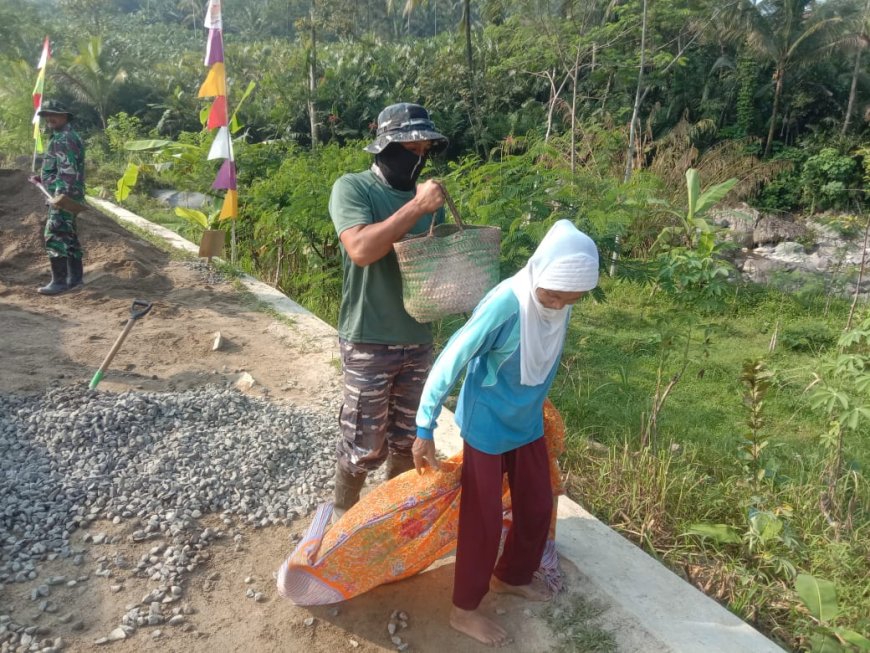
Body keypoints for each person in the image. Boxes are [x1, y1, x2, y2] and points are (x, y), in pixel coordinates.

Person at [412, 219, 599, 646]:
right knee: (483, 518)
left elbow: (541, 362)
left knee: (537, 504)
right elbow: (452, 357)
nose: (557, 304)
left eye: (569, 299)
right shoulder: (506, 304)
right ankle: (464, 609)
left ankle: (510, 576)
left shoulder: (559, 301)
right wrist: (424, 426)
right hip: (487, 424)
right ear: (540, 272)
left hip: (526, 421)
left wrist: (536, 407)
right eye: (552, 295)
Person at [328, 102, 449, 517]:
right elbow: (361, 249)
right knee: (363, 443)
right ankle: (342, 518)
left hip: (418, 338)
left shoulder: (429, 199)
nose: (418, 158)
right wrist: (416, 207)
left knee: (407, 440)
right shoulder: (354, 188)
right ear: (385, 146)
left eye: (424, 151)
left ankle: (392, 519)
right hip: (370, 338)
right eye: (410, 149)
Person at [29, 100, 86, 295]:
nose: (49, 118)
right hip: (69, 195)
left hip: (64, 197)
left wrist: (59, 198)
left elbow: (68, 171)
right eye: (46, 115)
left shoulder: (63, 138)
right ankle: (75, 279)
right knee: (69, 236)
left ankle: (59, 282)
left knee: (54, 234)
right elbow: (59, 168)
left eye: (54, 114)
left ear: (65, 116)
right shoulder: (67, 136)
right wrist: (44, 179)